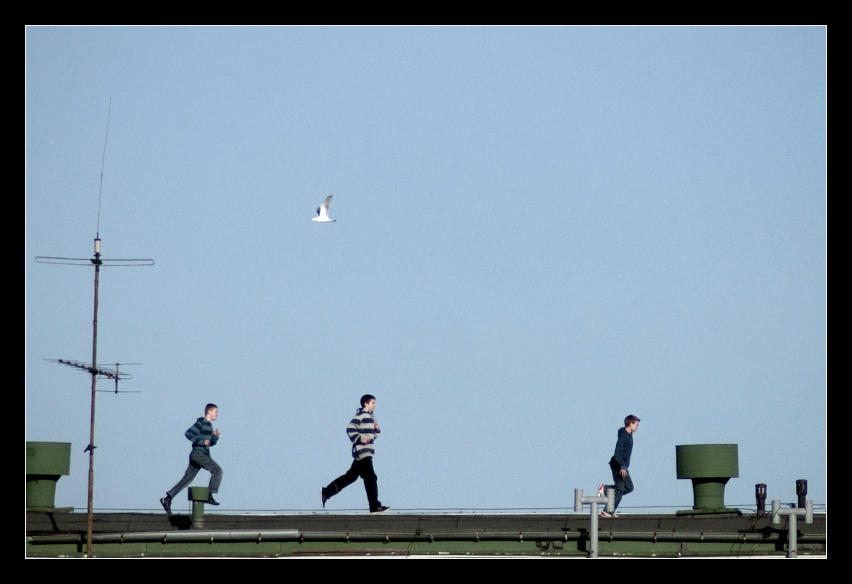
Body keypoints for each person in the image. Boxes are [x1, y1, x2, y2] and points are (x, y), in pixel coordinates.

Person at [320, 395, 389, 514]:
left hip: (366, 452)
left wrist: (376, 430)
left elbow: (371, 436)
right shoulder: (361, 415)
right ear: (366, 404)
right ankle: (374, 506)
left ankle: (327, 492)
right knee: (371, 477)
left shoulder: (371, 417)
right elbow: (350, 429)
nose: (375, 405)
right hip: (362, 452)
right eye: (373, 403)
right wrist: (361, 438)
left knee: (350, 477)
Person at [160, 404, 223, 514]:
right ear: (209, 412)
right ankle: (210, 494)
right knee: (217, 470)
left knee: (187, 479)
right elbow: (188, 433)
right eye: (216, 411)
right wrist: (201, 442)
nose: (217, 414)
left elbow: (209, 443)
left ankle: (168, 498)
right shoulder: (201, 423)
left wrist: (215, 436)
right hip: (198, 454)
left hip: (201, 454)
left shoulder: (209, 426)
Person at [599, 415, 640, 518]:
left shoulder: (629, 434)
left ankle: (605, 489)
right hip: (618, 466)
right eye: (636, 425)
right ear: (630, 424)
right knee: (619, 490)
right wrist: (622, 466)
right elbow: (618, 453)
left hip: (623, 467)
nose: (637, 427)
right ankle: (608, 511)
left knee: (629, 487)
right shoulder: (624, 436)